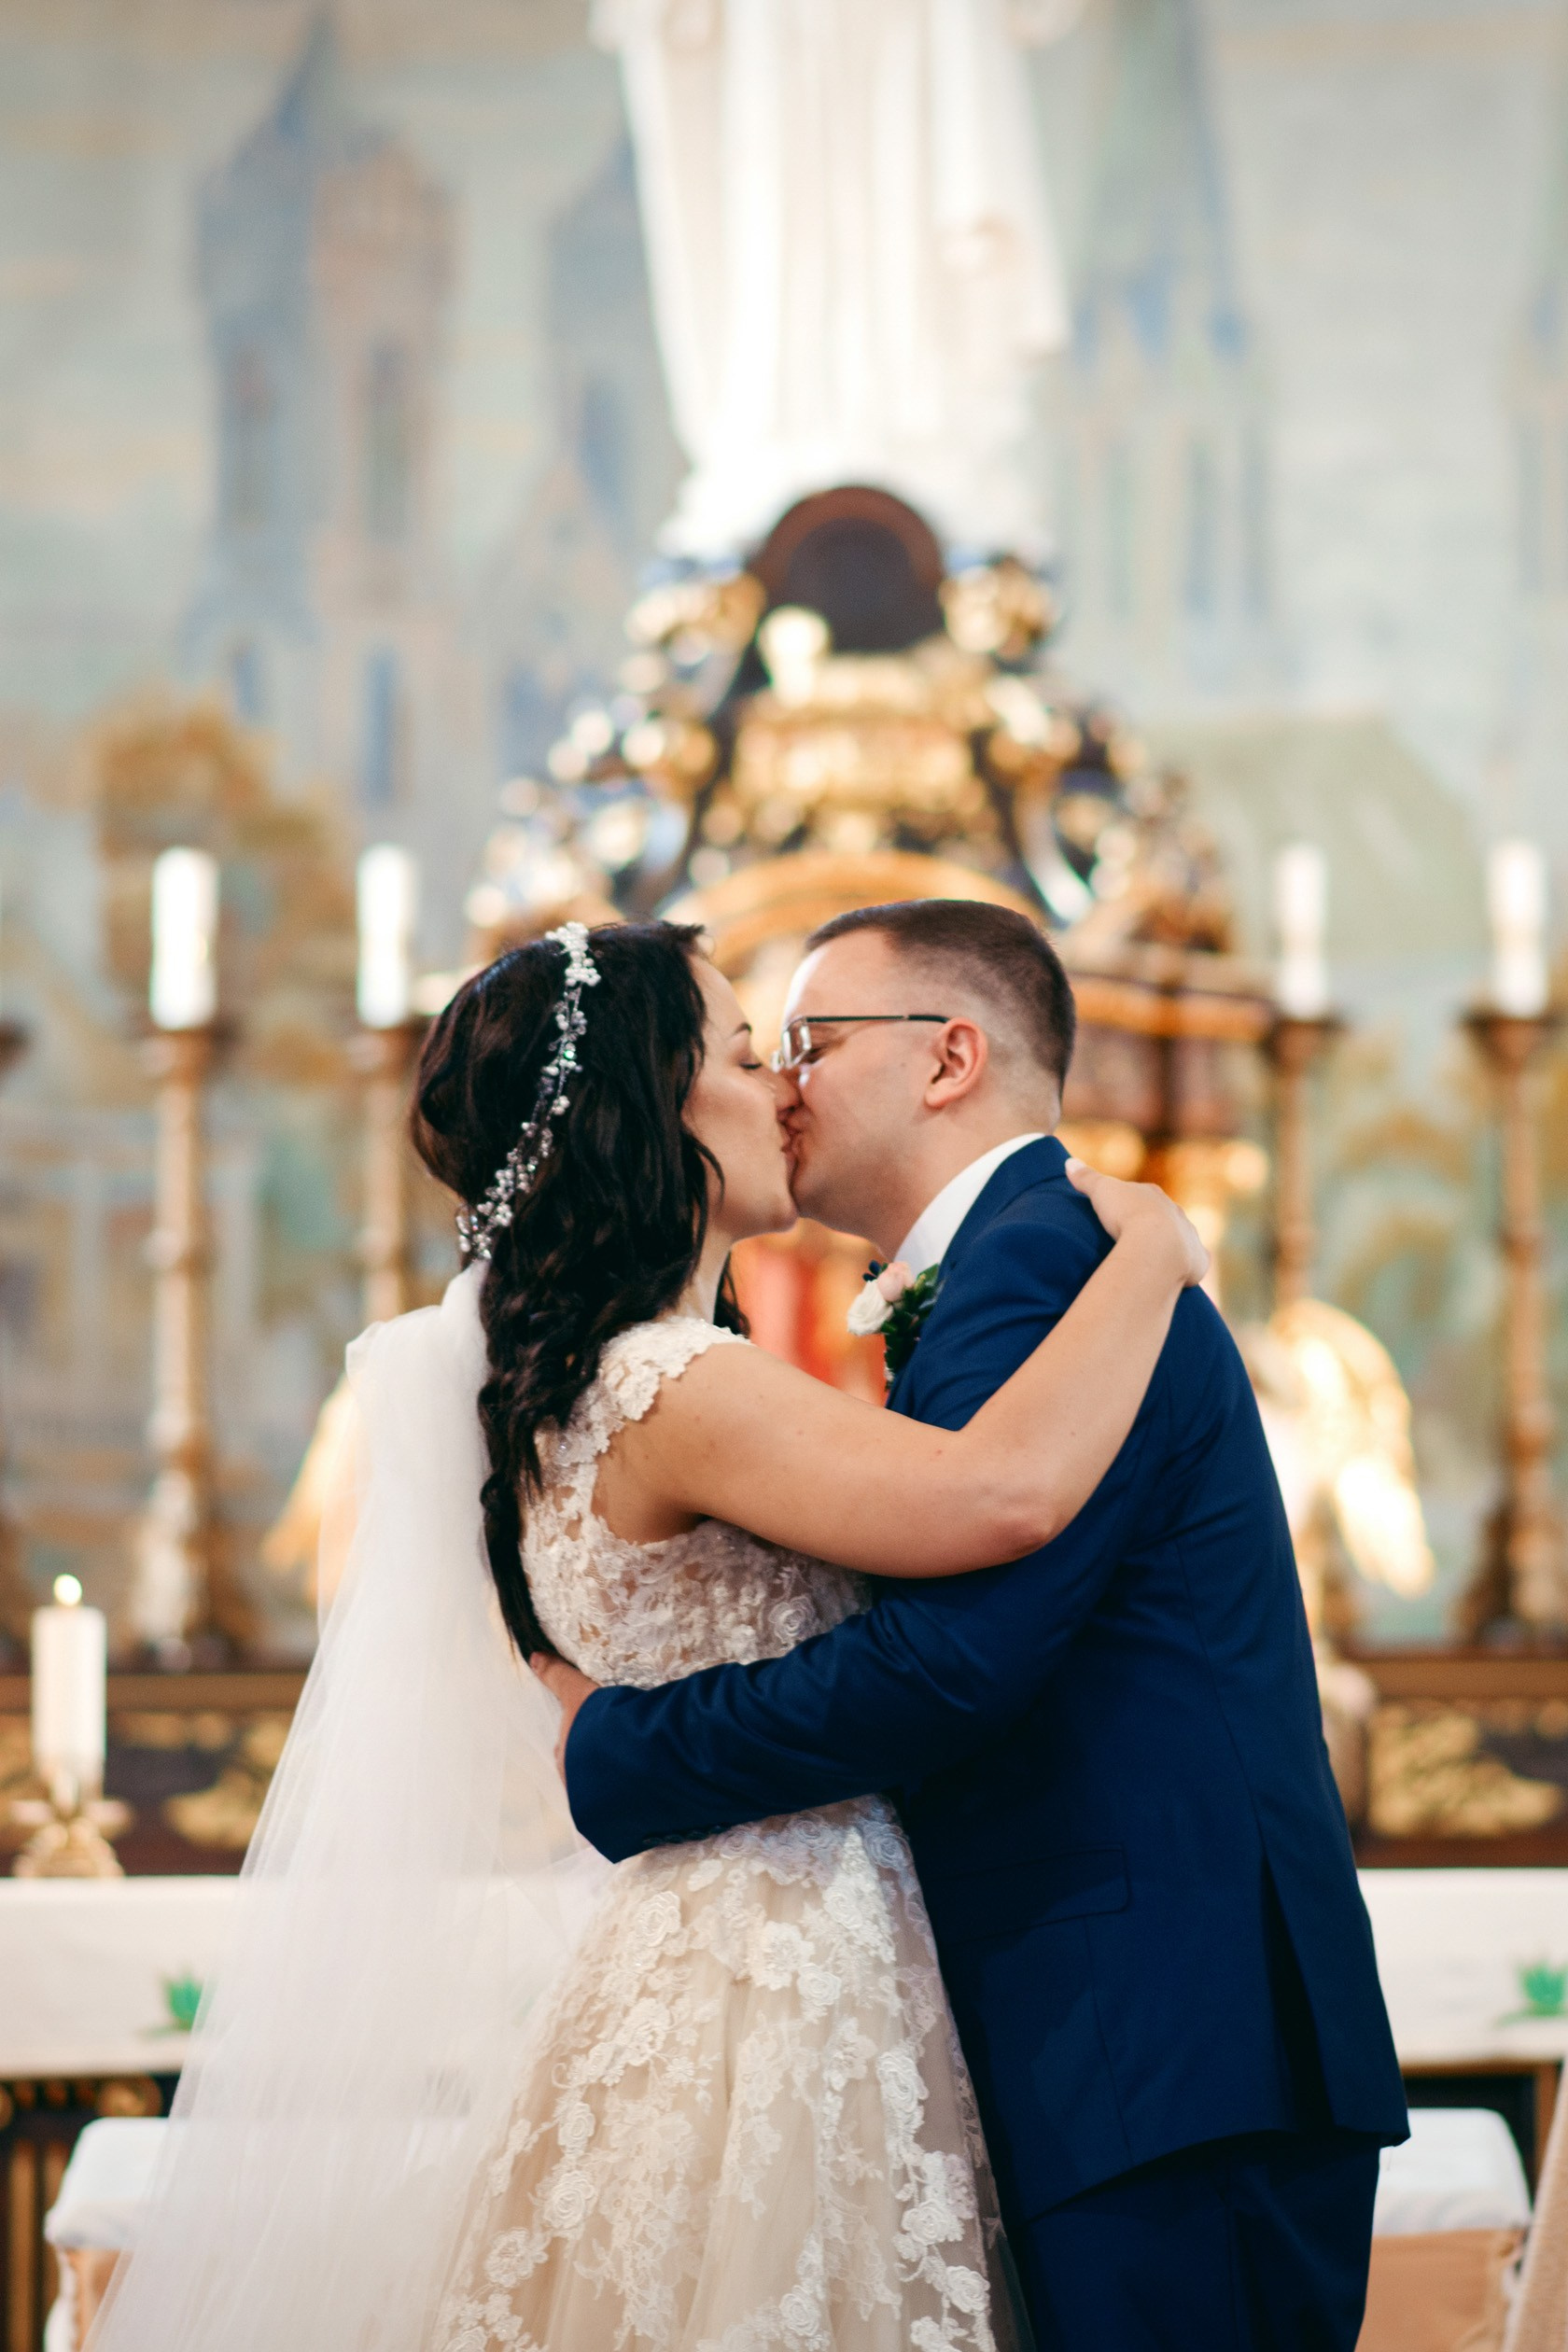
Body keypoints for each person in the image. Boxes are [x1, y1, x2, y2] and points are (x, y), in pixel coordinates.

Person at [90, 916, 1199, 2352]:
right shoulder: (675, 1382)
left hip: (718, 1940)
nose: (786, 1089)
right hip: (773, 1967)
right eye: (749, 1055)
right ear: (648, 1113)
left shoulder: (579, 1386)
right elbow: (999, 1494)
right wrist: (1156, 1258)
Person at [538, 898, 1411, 2352]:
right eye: (765, 1051)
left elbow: (958, 1662)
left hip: (1155, 2035)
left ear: (949, 1059)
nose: (784, 1081)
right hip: (1144, 2032)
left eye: (810, 1041)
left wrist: (619, 1744)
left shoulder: (1038, 1261)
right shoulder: (1029, 1262)